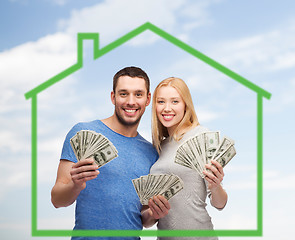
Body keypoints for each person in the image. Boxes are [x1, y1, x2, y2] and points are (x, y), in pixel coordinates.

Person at [51, 66, 170, 240]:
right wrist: (76, 185)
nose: (131, 101)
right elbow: (57, 200)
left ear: (147, 99)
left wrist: (154, 213)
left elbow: (144, 218)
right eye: (123, 94)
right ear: (113, 97)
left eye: (138, 94)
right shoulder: (83, 133)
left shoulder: (151, 153)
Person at [149, 77, 228, 240]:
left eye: (175, 101)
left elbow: (220, 204)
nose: (167, 108)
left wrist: (216, 185)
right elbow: (149, 217)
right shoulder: (159, 147)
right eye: (161, 101)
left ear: (186, 105)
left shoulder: (201, 136)